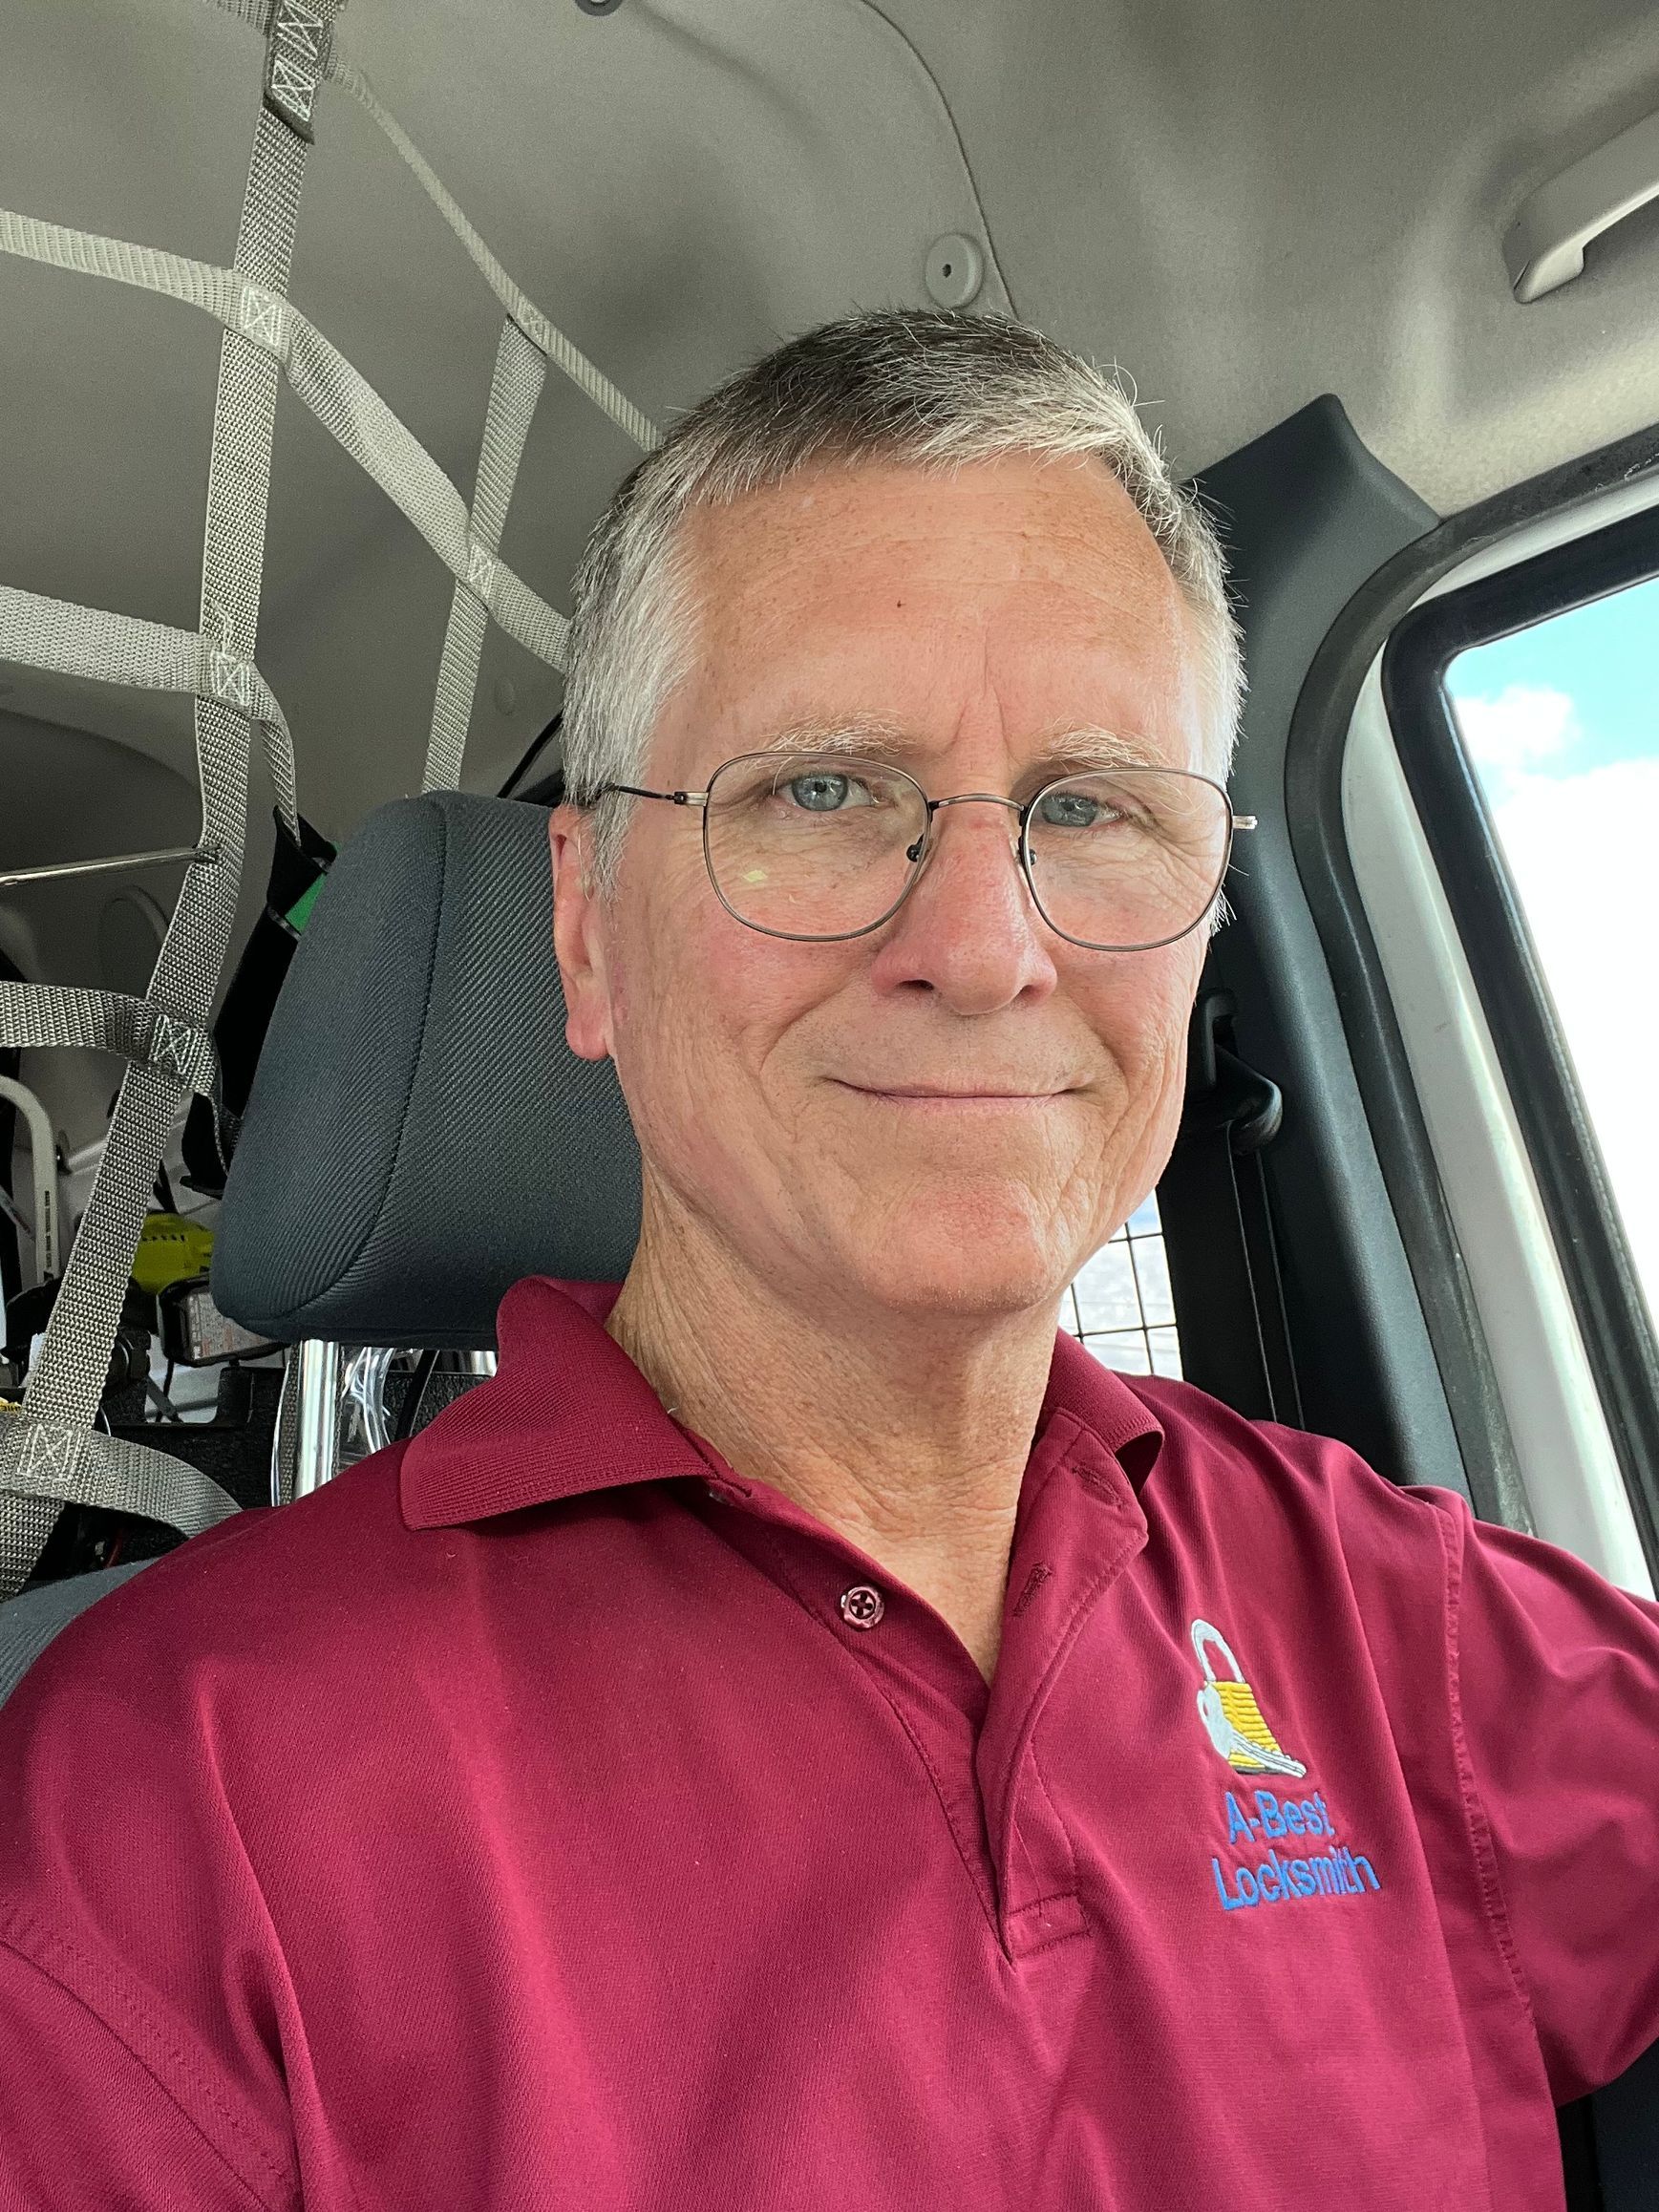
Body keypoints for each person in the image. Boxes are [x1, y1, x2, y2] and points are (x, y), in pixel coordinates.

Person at [2, 308, 1656, 2211]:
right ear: (587, 936)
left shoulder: (1392, 1612)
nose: (978, 944)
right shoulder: (162, 1806)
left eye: (1087, 805)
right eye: (817, 789)